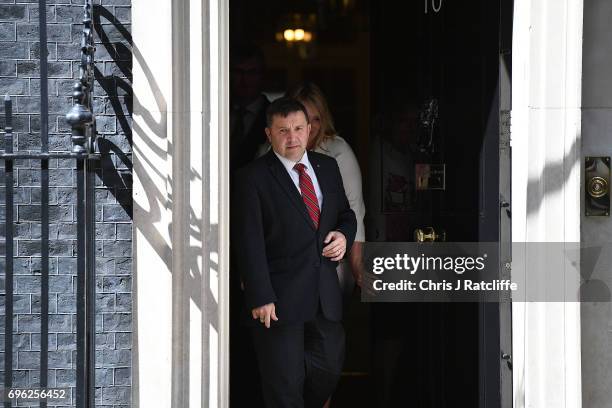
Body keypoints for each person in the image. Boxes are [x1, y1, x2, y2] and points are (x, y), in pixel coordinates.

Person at [231, 97, 357, 407]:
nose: (293, 137)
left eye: (299, 128)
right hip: (277, 301)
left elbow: (346, 213)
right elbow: (249, 240)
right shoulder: (252, 177)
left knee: (328, 370)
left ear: (310, 129)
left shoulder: (327, 167)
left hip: (324, 296)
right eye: (283, 130)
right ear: (268, 134)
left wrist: (343, 234)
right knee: (284, 388)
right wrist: (259, 294)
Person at [288, 83, 366, 294]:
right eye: (304, 119)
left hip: (330, 260)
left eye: (316, 119)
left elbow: (354, 209)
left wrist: (358, 266)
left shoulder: (337, 151)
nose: (310, 128)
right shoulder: (270, 153)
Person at [230, 43, 270, 173]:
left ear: (263, 75)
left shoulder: (273, 116)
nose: (245, 79)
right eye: (238, 72)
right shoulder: (215, 112)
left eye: (252, 72)